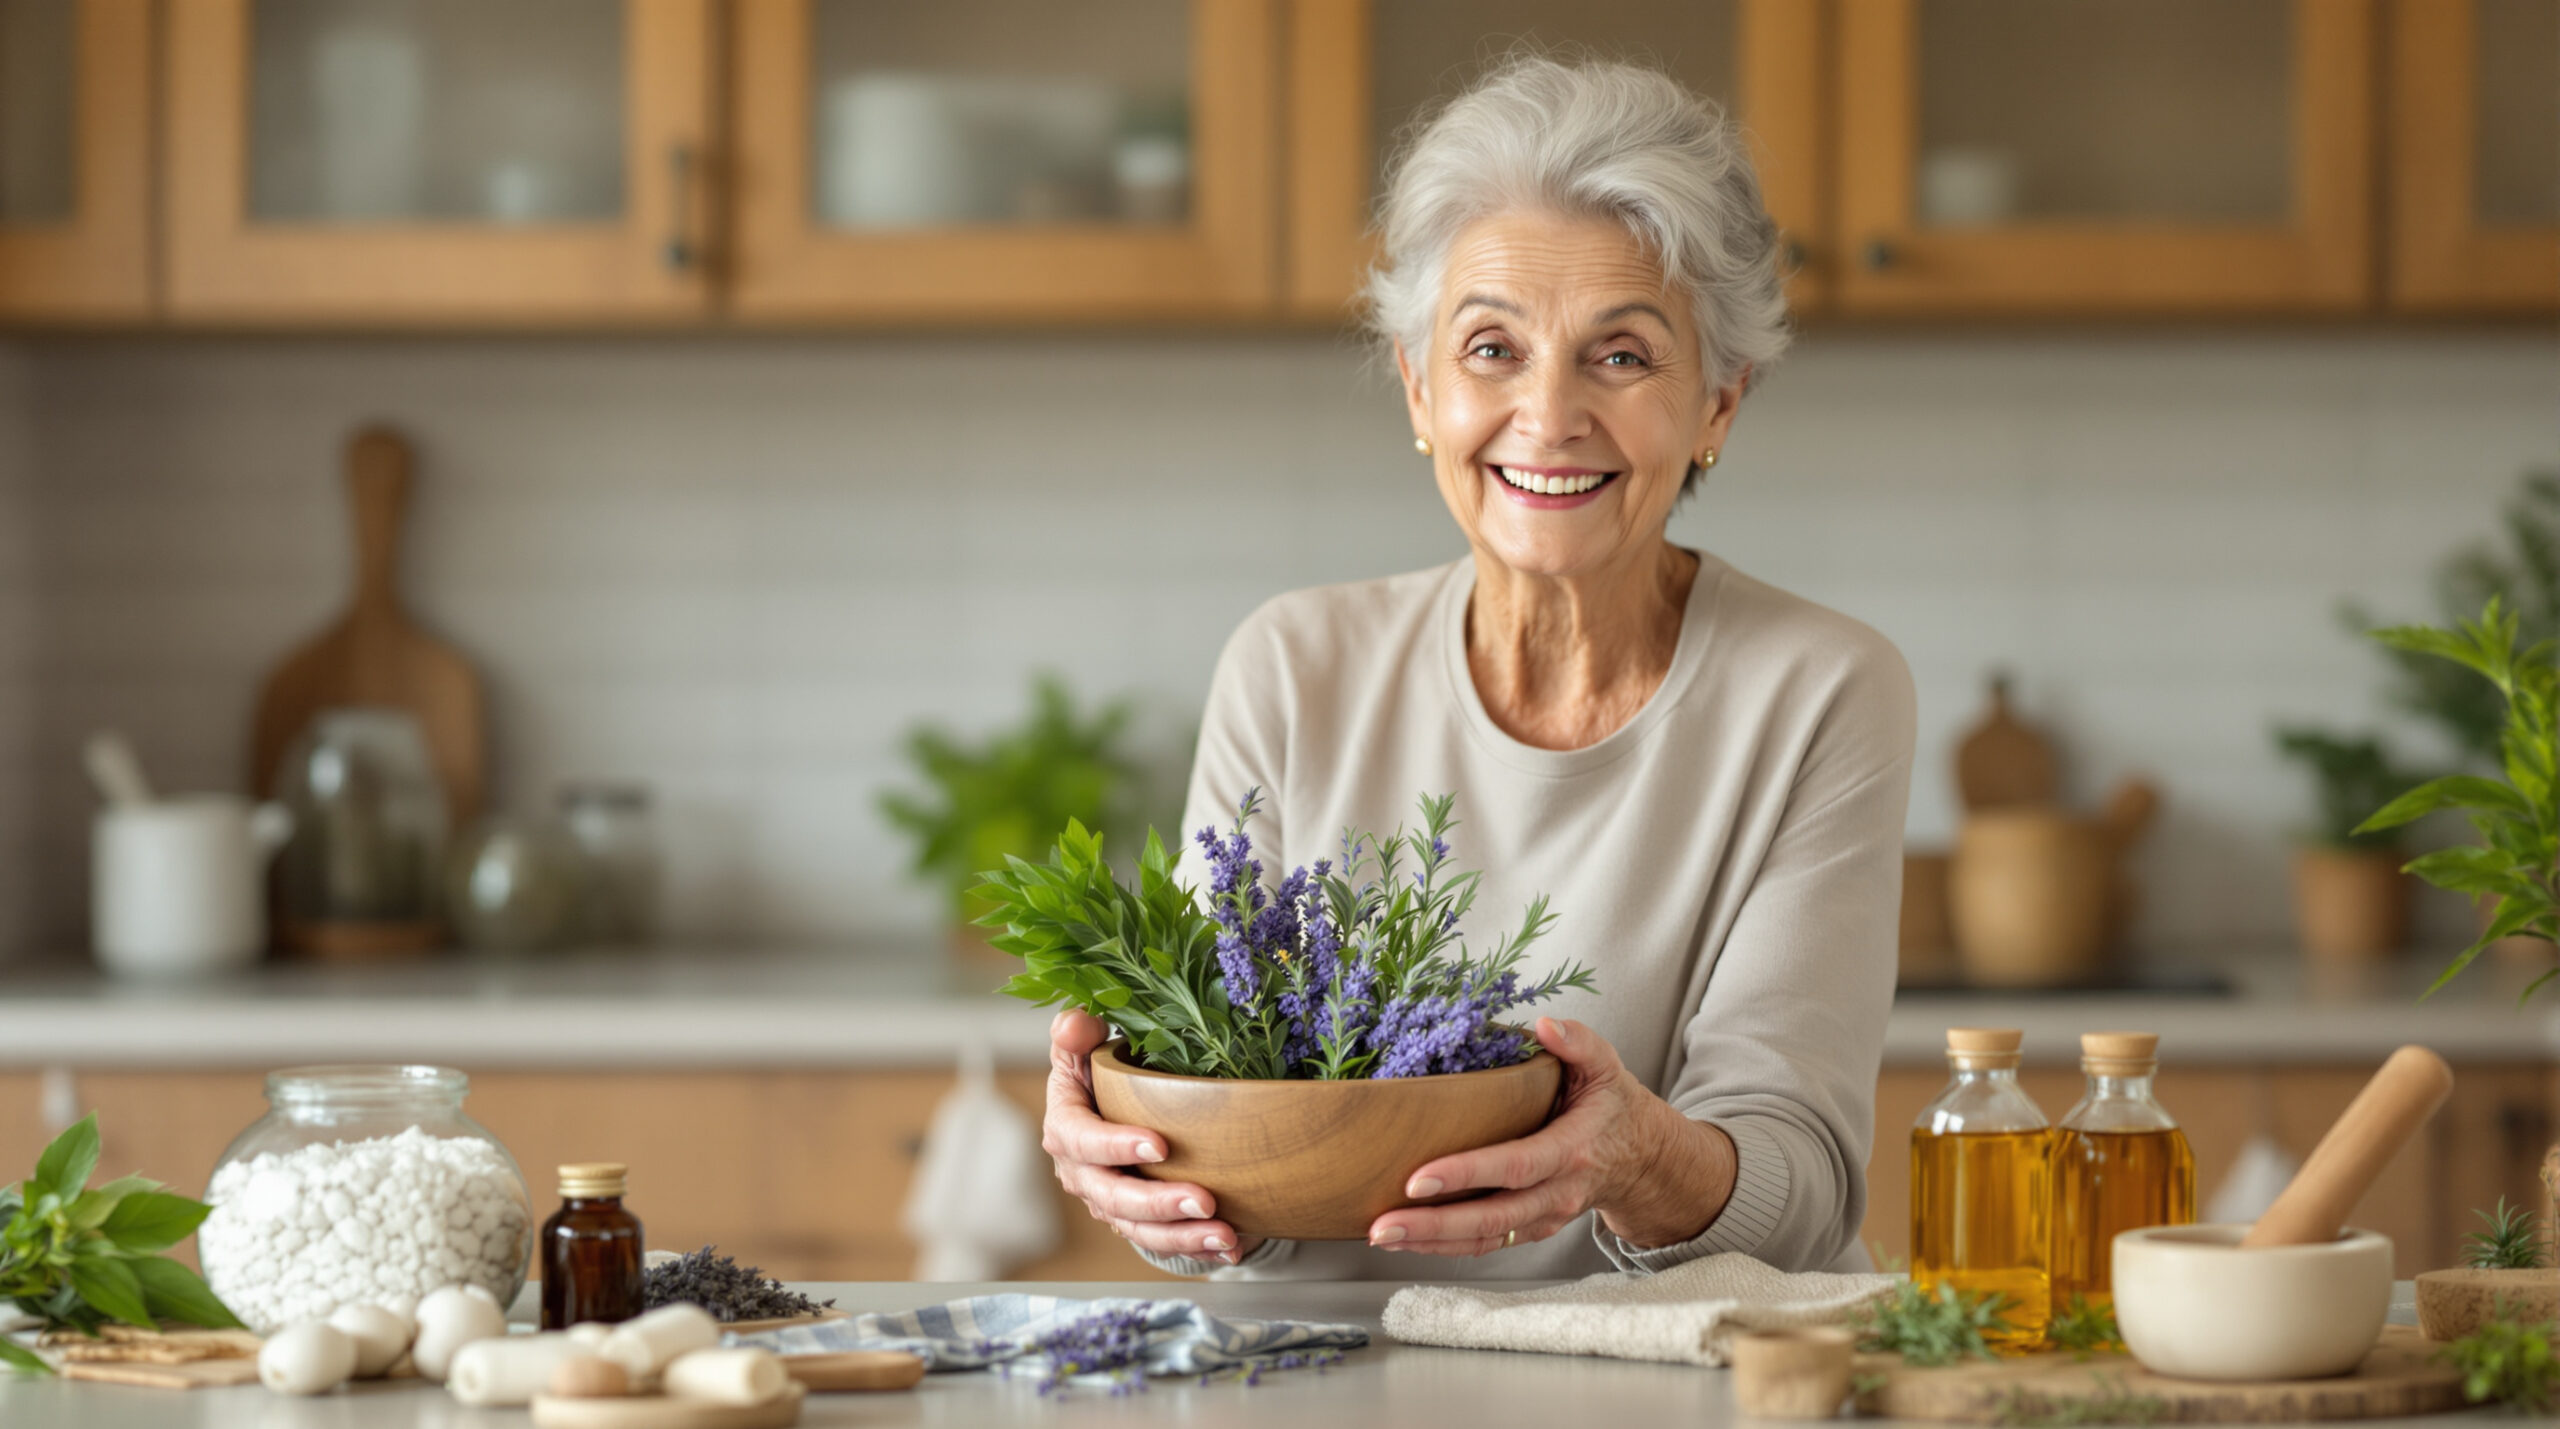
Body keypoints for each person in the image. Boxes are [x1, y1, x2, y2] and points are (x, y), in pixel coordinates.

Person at [1043, 54, 1914, 1280]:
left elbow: (1800, 1191)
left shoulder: (1821, 690)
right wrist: (1139, 1142)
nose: (1548, 414)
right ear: (1418, 384)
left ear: (1720, 401)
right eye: (1491, 348)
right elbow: (1208, 1165)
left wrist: (1633, 1156)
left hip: (1669, 1389)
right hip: (1327, 1382)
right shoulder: (1292, 667)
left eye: (1620, 355)